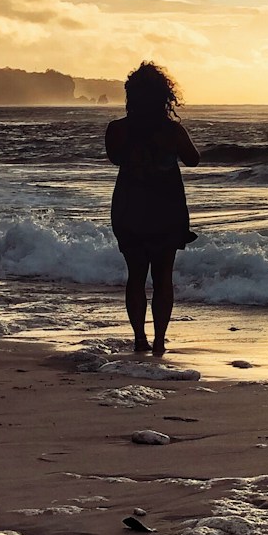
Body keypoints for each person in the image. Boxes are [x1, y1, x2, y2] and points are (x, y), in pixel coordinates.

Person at [105, 62, 199, 359]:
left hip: (129, 207)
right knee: (163, 277)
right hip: (166, 209)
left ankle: (138, 338)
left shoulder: (117, 130)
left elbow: (114, 158)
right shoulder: (172, 131)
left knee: (135, 275)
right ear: (164, 96)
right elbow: (193, 160)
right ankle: (159, 341)